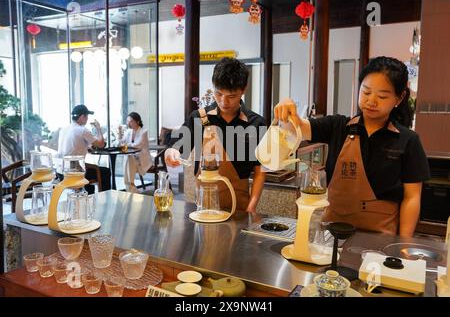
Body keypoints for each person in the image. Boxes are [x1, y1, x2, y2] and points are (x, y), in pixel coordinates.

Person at [274, 56, 430, 237]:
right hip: (331, 235)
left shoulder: (408, 140)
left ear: (399, 97)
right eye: (366, 92)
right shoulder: (338, 126)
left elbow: (412, 197)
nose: (372, 101)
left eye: (382, 96)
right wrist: (287, 109)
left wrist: (402, 244)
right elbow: (296, 129)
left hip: (380, 239)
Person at [165, 57, 266, 213]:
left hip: (240, 208)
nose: (224, 102)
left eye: (231, 96)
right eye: (218, 94)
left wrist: (251, 208)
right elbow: (178, 145)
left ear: (243, 89)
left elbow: (260, 172)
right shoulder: (199, 118)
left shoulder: (256, 123)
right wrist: (172, 152)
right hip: (204, 207)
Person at [57, 104, 111, 193]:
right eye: (87, 117)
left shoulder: (64, 129)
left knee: (90, 180)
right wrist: (98, 128)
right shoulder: (82, 130)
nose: (87, 119)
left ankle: (89, 198)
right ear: (82, 117)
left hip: (61, 172)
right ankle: (105, 199)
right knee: (105, 171)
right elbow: (101, 144)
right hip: (75, 173)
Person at [118, 112, 152, 193]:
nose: (129, 123)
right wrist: (120, 134)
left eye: (131, 121)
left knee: (129, 157)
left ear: (138, 121)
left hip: (142, 158)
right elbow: (121, 143)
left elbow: (138, 145)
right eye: (127, 121)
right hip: (133, 158)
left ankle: (130, 186)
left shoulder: (144, 132)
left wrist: (126, 144)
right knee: (128, 157)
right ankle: (130, 186)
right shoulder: (128, 131)